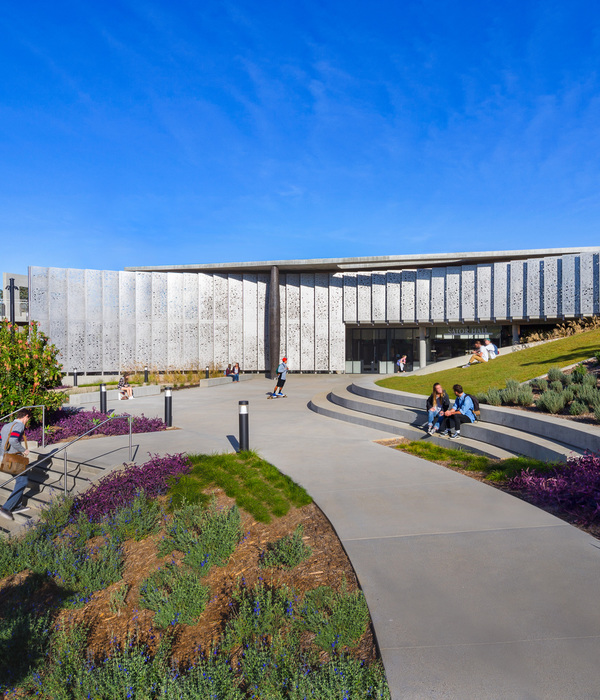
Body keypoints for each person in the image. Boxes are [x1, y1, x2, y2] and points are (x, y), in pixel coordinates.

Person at [0, 409, 32, 520]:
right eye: (28, 419)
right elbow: (13, 440)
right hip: (13, 458)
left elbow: (0, 441)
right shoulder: (19, 426)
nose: (27, 421)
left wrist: (2, 455)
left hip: (5, 458)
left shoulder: (6, 426)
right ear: (26, 416)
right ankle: (6, 508)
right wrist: (24, 450)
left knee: (20, 480)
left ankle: (17, 506)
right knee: (22, 481)